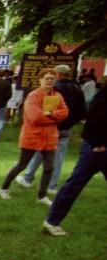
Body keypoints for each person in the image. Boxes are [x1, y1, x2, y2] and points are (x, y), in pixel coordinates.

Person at [42, 82, 107, 236]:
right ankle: (51, 222)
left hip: (100, 146)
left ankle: (52, 221)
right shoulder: (105, 95)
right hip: (97, 148)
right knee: (75, 183)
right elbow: (93, 116)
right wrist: (98, 143)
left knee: (75, 183)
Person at [0, 68, 69, 204]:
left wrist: (50, 114)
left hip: (50, 137)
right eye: (46, 78)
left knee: (49, 167)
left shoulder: (57, 96)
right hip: (32, 136)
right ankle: (3, 188)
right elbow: (35, 117)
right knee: (22, 165)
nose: (49, 81)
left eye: (52, 78)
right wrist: (54, 117)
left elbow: (64, 113)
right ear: (40, 80)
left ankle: (41, 196)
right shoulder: (33, 96)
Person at [18, 64, 87, 194]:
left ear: (58, 75)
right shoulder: (78, 88)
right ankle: (52, 185)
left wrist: (53, 119)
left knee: (40, 152)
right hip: (66, 127)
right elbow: (82, 111)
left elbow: (45, 111)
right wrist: (71, 121)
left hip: (51, 126)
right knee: (58, 157)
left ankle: (28, 178)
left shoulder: (54, 89)